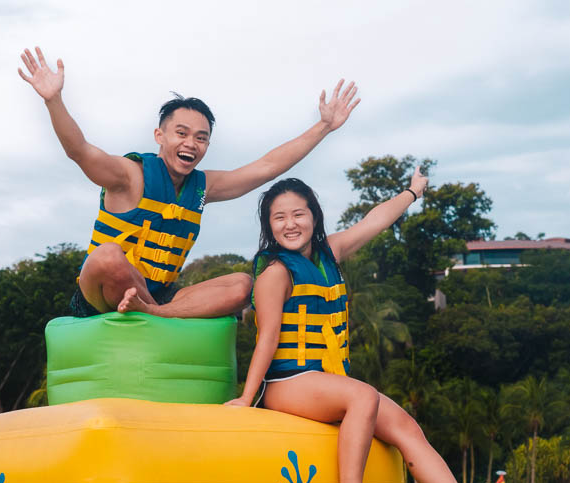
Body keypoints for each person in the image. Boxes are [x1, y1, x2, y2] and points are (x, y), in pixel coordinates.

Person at [225, 173, 508, 483]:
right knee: (363, 395)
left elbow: (375, 220)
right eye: (279, 218)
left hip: (321, 379)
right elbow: (268, 339)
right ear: (269, 226)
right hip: (283, 382)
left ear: (314, 217)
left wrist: (412, 192)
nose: (290, 224)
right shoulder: (275, 273)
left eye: (299, 214)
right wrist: (247, 398)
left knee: (405, 426)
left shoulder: (331, 254)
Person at [18, 46, 360, 319]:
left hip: (160, 297)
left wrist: (324, 127)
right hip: (101, 291)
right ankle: (153, 311)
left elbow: (267, 167)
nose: (191, 144)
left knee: (242, 284)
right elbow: (79, 150)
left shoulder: (202, 187)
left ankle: (154, 313)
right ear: (159, 136)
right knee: (108, 257)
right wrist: (53, 100)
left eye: (201, 138)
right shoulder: (129, 175)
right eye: (181, 133)